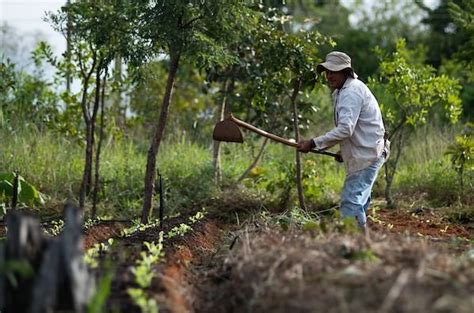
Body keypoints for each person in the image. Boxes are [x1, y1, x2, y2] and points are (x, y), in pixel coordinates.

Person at [297, 51, 389, 232]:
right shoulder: (343, 91)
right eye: (327, 71)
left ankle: (353, 247)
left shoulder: (350, 92)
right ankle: (360, 247)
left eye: (334, 71)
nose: (329, 75)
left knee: (351, 203)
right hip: (367, 151)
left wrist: (313, 143)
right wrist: (344, 151)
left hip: (368, 154)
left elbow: (346, 129)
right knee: (357, 203)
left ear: (346, 72)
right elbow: (353, 129)